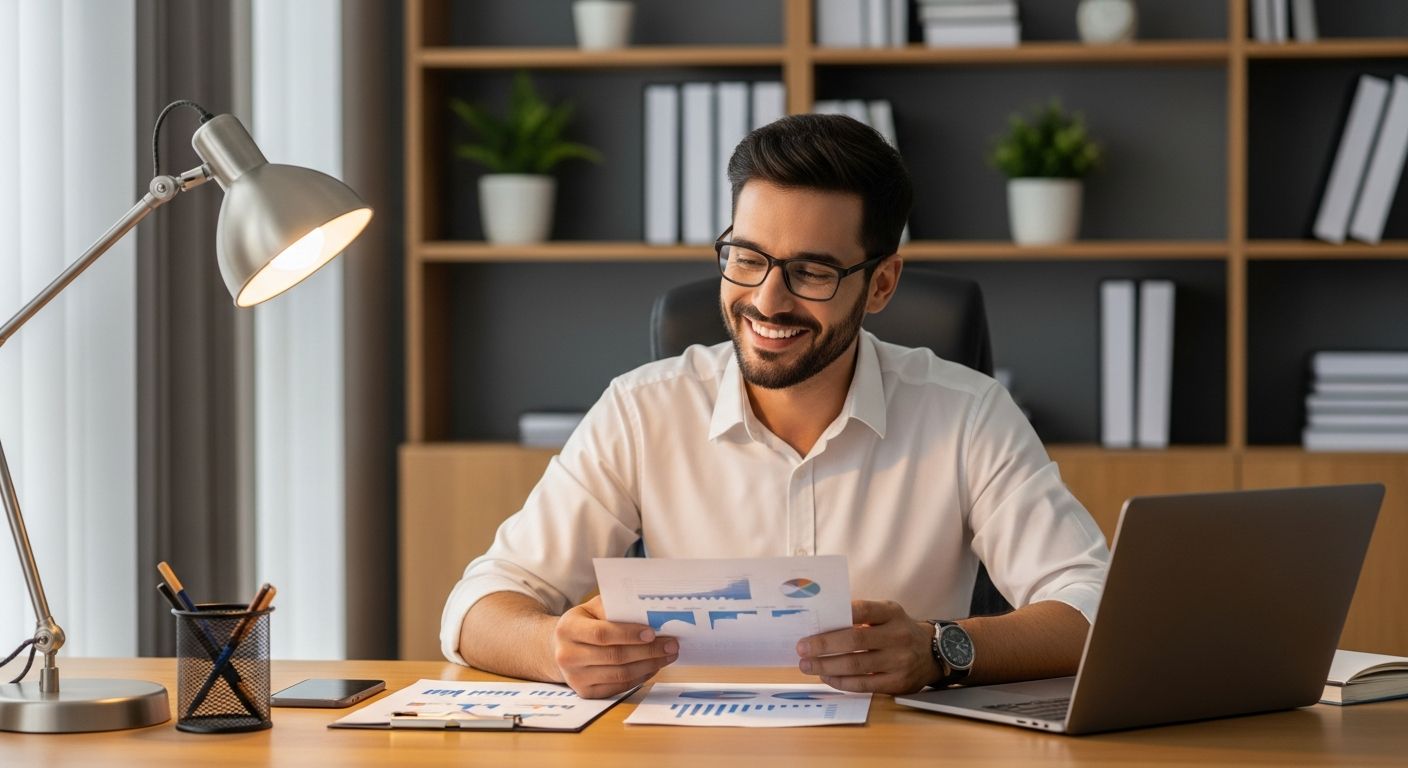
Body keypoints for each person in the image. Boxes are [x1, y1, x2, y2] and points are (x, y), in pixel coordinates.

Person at [441, 114, 1110, 699]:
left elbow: (1097, 605)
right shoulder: (643, 409)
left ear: (881, 283)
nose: (767, 300)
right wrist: (556, 647)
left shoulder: (968, 414)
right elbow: (476, 607)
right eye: (748, 258)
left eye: (812, 272)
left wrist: (939, 650)